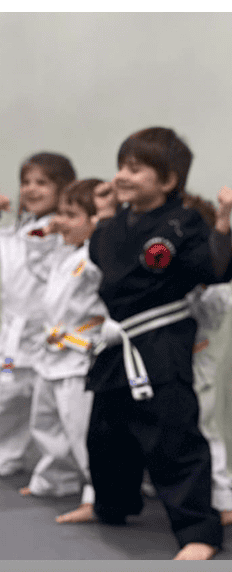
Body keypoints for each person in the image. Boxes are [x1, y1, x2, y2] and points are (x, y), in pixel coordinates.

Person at [84, 127, 232, 560]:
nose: (122, 176)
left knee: (173, 437)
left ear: (168, 181)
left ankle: (199, 532)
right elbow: (104, 262)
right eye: (121, 167)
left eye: (135, 169)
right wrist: (101, 213)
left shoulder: (184, 223)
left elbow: (214, 267)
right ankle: (113, 504)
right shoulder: (115, 224)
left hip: (161, 343)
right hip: (119, 343)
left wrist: (223, 222)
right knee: (105, 432)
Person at [18, 179, 105, 509]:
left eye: (72, 215)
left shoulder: (95, 258)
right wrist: (48, 231)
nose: (61, 222)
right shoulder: (64, 256)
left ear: (95, 221)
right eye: (61, 213)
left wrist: (102, 231)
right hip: (52, 354)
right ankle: (55, 480)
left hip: (80, 355)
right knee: (47, 424)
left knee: (81, 430)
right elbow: (36, 262)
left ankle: (97, 494)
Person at [0, 152, 76, 477]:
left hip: (47, 328)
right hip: (14, 329)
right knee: (11, 395)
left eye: (42, 183)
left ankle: (62, 470)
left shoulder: (56, 231)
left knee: (50, 407)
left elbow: (36, 249)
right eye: (26, 182)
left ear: (63, 188)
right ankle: (9, 453)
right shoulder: (21, 229)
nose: (31, 189)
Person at [182, 192, 232, 527]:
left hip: (195, 359)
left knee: (203, 429)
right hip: (162, 358)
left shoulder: (212, 281)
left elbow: (215, 312)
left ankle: (222, 500)